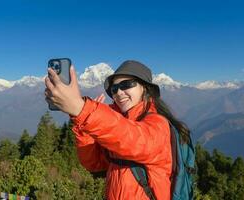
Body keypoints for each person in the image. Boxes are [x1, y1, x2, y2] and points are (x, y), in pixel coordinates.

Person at [44, 60, 191, 200]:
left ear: (145, 88)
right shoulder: (119, 125)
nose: (119, 92)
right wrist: (84, 130)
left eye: (127, 84)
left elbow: (133, 140)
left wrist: (82, 111)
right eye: (114, 88)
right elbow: (94, 164)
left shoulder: (158, 124)